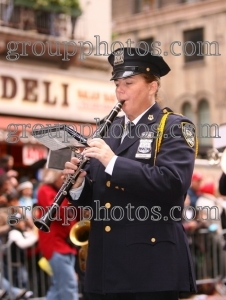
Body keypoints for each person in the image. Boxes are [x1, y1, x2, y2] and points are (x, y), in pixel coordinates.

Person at [62, 47, 198, 300]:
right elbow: (101, 196)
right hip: (104, 265)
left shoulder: (173, 126)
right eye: (117, 83)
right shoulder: (108, 129)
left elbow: (173, 183)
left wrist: (112, 161)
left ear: (152, 86)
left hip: (149, 266)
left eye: (129, 82)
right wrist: (79, 185)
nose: (120, 90)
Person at [37, 168, 79, 300]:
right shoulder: (45, 190)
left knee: (58, 289)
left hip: (66, 245)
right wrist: (68, 193)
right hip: (55, 245)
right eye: (63, 176)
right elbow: (58, 213)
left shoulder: (55, 190)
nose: (64, 179)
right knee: (69, 285)